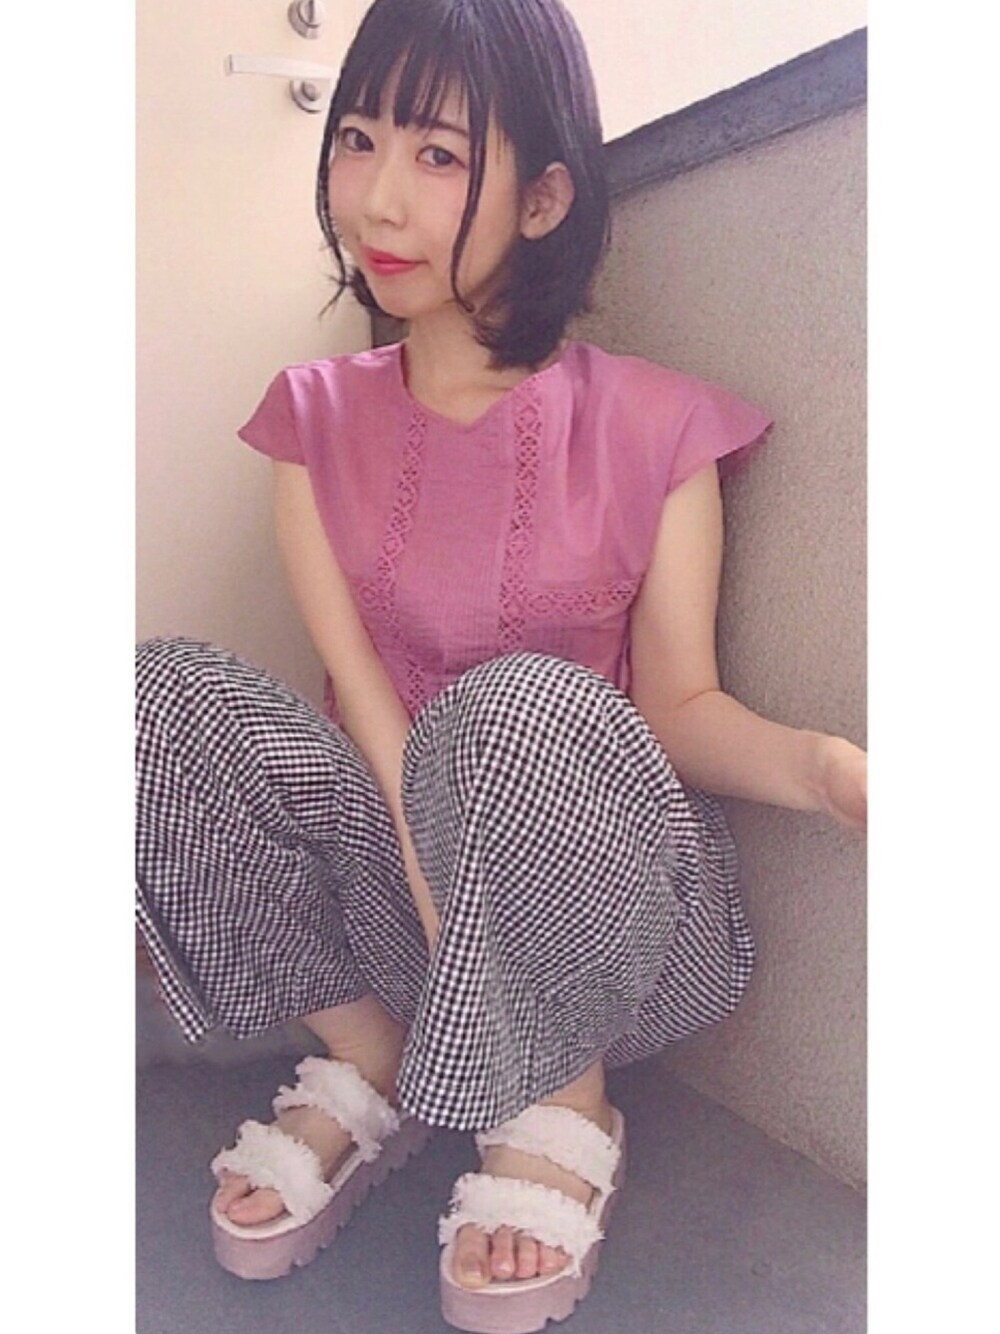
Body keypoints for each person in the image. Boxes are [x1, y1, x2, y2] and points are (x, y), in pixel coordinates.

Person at [135, 0, 867, 1329]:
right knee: (151, 695)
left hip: (602, 926)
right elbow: (364, 703)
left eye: (437, 155)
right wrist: (430, 917)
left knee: (511, 702)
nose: (376, 198)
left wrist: (821, 767)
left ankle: (557, 1099)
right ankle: (376, 1059)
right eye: (358, 140)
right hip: (405, 915)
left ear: (542, 199)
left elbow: (679, 706)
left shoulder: (659, 425)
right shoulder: (312, 418)